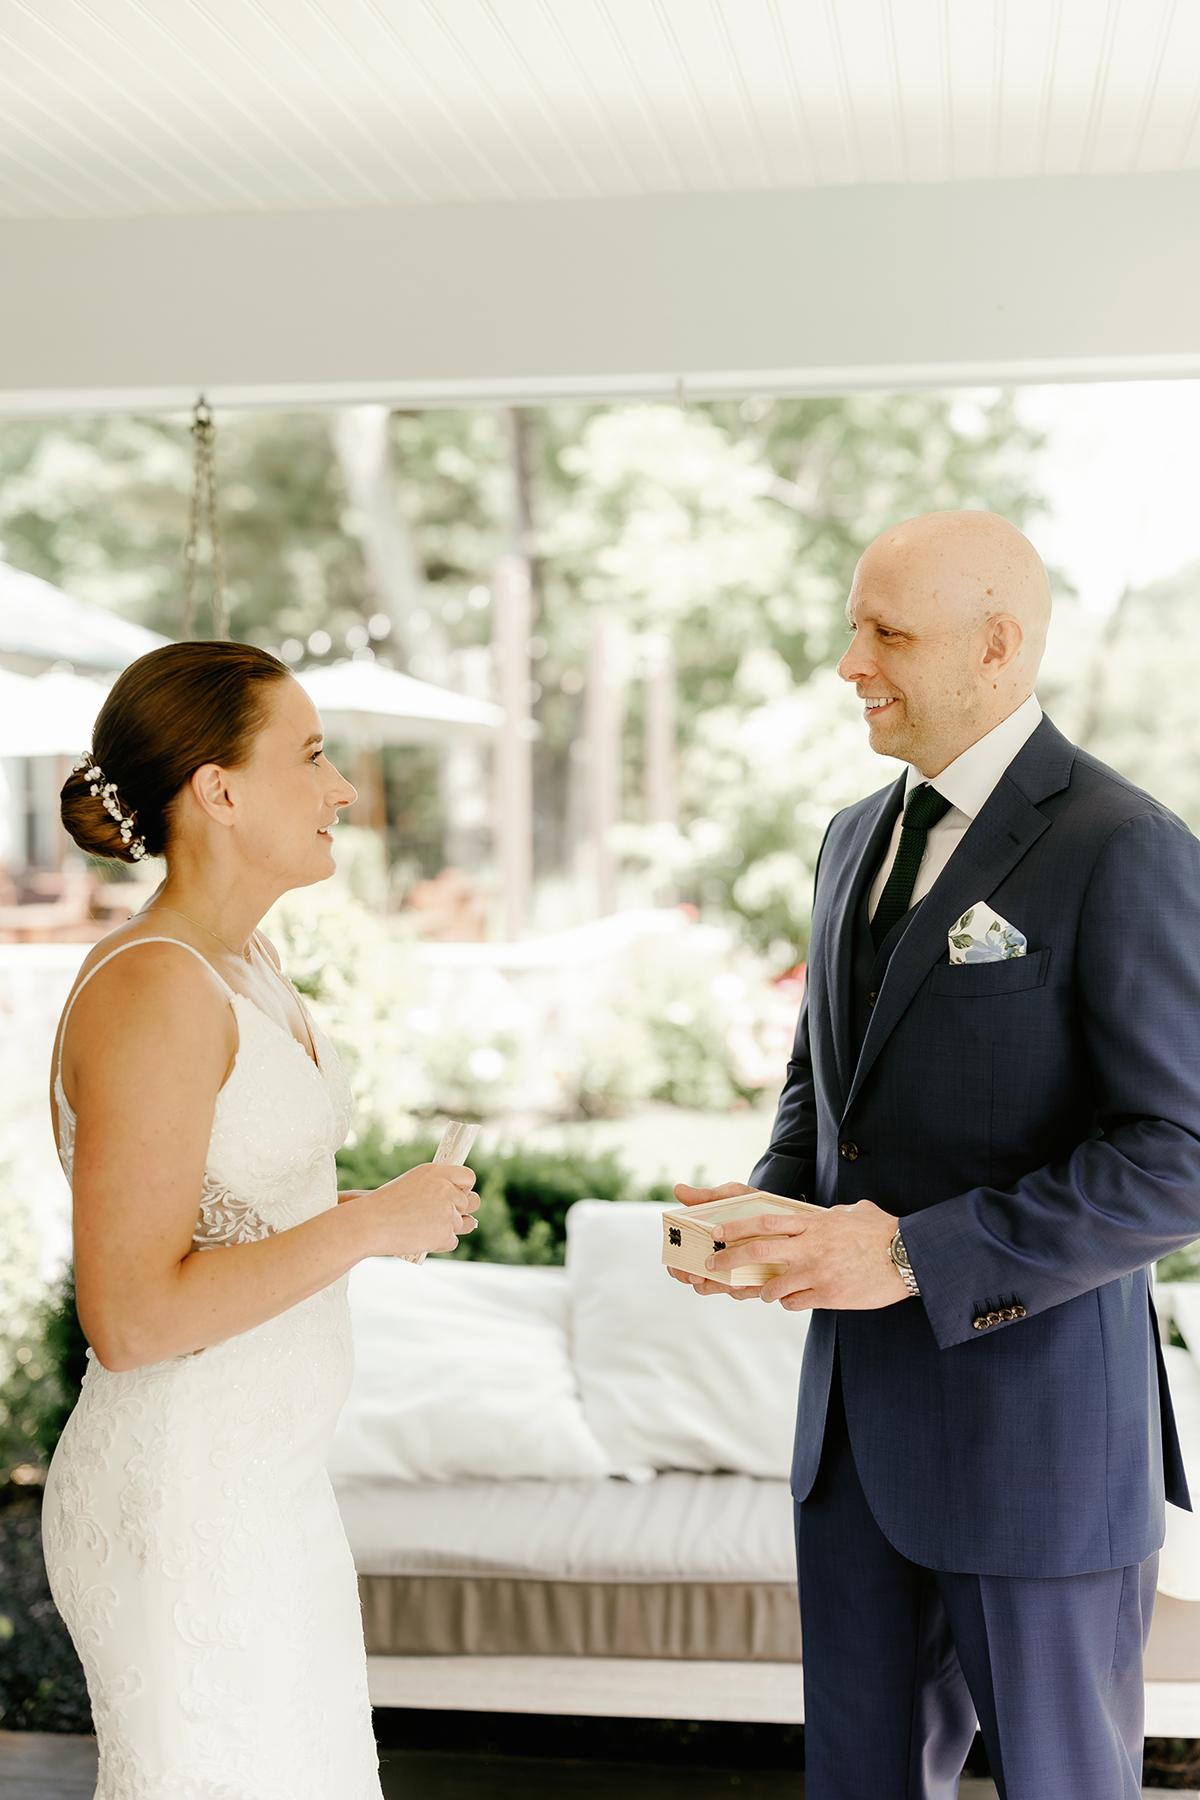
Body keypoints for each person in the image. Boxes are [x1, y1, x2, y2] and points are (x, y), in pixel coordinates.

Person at [670, 510, 1200, 1799]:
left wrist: (910, 1254)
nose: (851, 661)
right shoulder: (853, 836)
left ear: (1000, 646)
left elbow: (1177, 1154)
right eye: (856, 625)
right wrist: (770, 1207)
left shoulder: (1120, 845)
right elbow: (826, 1084)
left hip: (1041, 1453)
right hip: (852, 1447)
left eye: (888, 633)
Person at [42, 640, 480, 1799]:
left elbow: (226, 1219)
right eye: (316, 756)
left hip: (265, 1489)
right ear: (220, 791)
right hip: (186, 1506)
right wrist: (367, 1226)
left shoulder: (247, 962)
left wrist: (349, 1213)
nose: (345, 790)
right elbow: (131, 1317)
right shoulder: (153, 987)